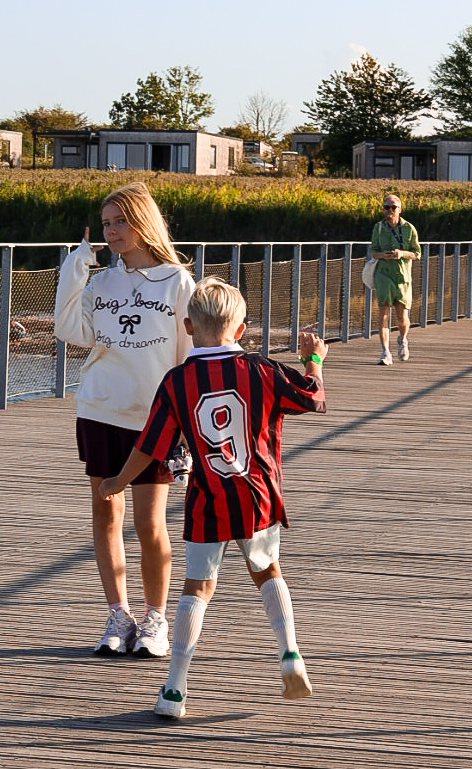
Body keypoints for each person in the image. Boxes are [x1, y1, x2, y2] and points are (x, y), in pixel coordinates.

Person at [100, 276, 326, 721]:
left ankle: (175, 688)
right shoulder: (262, 369)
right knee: (267, 571)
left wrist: (120, 480)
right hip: (257, 494)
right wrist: (313, 359)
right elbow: (311, 397)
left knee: (197, 589)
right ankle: (290, 654)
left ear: (187, 326)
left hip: (208, 499)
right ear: (241, 330)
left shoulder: (177, 380)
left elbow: (151, 443)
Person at [54, 182, 194, 658]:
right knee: (105, 512)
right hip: (99, 407)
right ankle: (118, 614)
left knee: (150, 522)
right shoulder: (101, 281)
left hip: (155, 417)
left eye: (121, 222)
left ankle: (156, 618)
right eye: (106, 223)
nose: (112, 231)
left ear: (143, 222)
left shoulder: (177, 281)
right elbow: (70, 330)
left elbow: (188, 355)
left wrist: (185, 424)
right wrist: (77, 267)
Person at [370, 190, 421, 367]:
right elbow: (373, 252)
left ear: (400, 209)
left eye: (393, 207)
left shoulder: (409, 228)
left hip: (402, 276)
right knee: (383, 314)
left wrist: (402, 254)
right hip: (384, 275)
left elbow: (417, 253)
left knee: (401, 316)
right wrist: (383, 255)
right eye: (386, 207)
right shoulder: (378, 228)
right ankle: (385, 352)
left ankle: (403, 339)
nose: (389, 210)